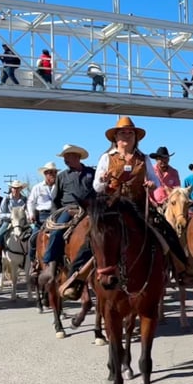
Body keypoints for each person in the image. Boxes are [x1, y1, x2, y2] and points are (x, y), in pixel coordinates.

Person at [60, 117, 159, 300]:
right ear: (115, 137)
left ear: (135, 137)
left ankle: (182, 268)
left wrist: (152, 184)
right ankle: (76, 278)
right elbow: (97, 186)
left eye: (130, 133)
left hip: (137, 206)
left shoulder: (143, 159)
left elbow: (155, 180)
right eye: (122, 133)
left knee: (164, 230)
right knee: (94, 237)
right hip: (113, 208)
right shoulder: (107, 157)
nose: (126, 136)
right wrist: (103, 181)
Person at [41, 144, 95, 281]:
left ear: (77, 157)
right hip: (69, 208)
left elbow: (98, 191)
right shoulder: (62, 176)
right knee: (57, 231)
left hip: (90, 208)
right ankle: (50, 264)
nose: (65, 160)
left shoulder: (91, 173)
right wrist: (56, 214)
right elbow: (56, 199)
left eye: (68, 157)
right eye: (64, 157)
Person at [26, 162, 57, 274]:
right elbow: (30, 202)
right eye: (50, 173)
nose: (52, 175)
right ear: (45, 174)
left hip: (56, 215)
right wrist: (31, 214)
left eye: (54, 172)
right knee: (33, 239)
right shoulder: (37, 187)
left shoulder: (60, 185)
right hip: (42, 216)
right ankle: (33, 263)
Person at [0, 180, 28, 273]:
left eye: (17, 188)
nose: (15, 190)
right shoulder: (7, 199)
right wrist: (11, 216)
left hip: (21, 223)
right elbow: (1, 213)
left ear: (20, 189)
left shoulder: (24, 199)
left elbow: (27, 211)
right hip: (8, 222)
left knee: (33, 234)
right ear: (11, 189)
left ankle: (32, 257)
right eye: (14, 188)